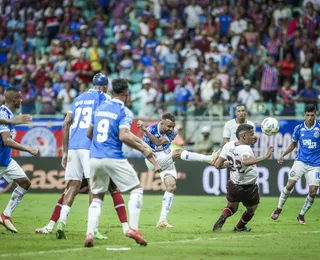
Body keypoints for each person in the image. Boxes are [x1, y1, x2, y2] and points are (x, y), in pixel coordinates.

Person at [35, 74, 129, 240]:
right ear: (106, 87)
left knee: (72, 186)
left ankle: (61, 223)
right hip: (90, 147)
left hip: (73, 147)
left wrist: (65, 151)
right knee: (95, 188)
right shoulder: (104, 98)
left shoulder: (78, 98)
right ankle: (92, 230)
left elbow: (65, 124)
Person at [84, 78, 161, 247]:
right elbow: (123, 136)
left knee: (97, 196)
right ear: (127, 93)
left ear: (112, 92)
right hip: (113, 157)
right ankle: (133, 228)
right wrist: (143, 149)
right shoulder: (124, 111)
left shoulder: (98, 108)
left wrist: (98, 146)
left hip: (94, 158)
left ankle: (90, 233)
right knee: (136, 189)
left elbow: (89, 133)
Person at [137, 114, 218, 228]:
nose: (171, 129)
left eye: (172, 126)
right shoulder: (150, 130)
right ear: (162, 122)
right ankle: (209, 158)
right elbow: (145, 152)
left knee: (171, 187)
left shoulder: (173, 132)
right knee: (179, 152)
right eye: (169, 126)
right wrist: (155, 165)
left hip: (165, 157)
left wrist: (145, 130)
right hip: (152, 160)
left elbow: (158, 142)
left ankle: (162, 220)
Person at [213, 124, 274, 232]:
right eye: (252, 134)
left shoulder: (228, 145)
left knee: (232, 206)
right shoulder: (246, 149)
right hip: (248, 186)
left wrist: (231, 163)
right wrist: (265, 156)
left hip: (233, 184)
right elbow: (245, 161)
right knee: (252, 209)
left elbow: (218, 165)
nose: (254, 136)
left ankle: (219, 223)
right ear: (244, 136)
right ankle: (239, 227)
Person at [271, 104, 320, 224]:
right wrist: (283, 155)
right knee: (290, 185)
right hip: (301, 161)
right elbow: (293, 144)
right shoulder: (298, 128)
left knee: (313, 191)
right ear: (304, 115)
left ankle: (301, 215)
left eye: (312, 115)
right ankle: (278, 209)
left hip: (315, 164)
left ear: (315, 115)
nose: (309, 118)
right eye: (307, 115)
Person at [0, 87, 40, 233]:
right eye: (20, 98)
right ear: (14, 99)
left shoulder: (8, 115)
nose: (22, 100)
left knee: (24, 183)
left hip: (5, 160)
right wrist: (29, 149)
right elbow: (6, 141)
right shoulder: (3, 113)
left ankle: (6, 215)